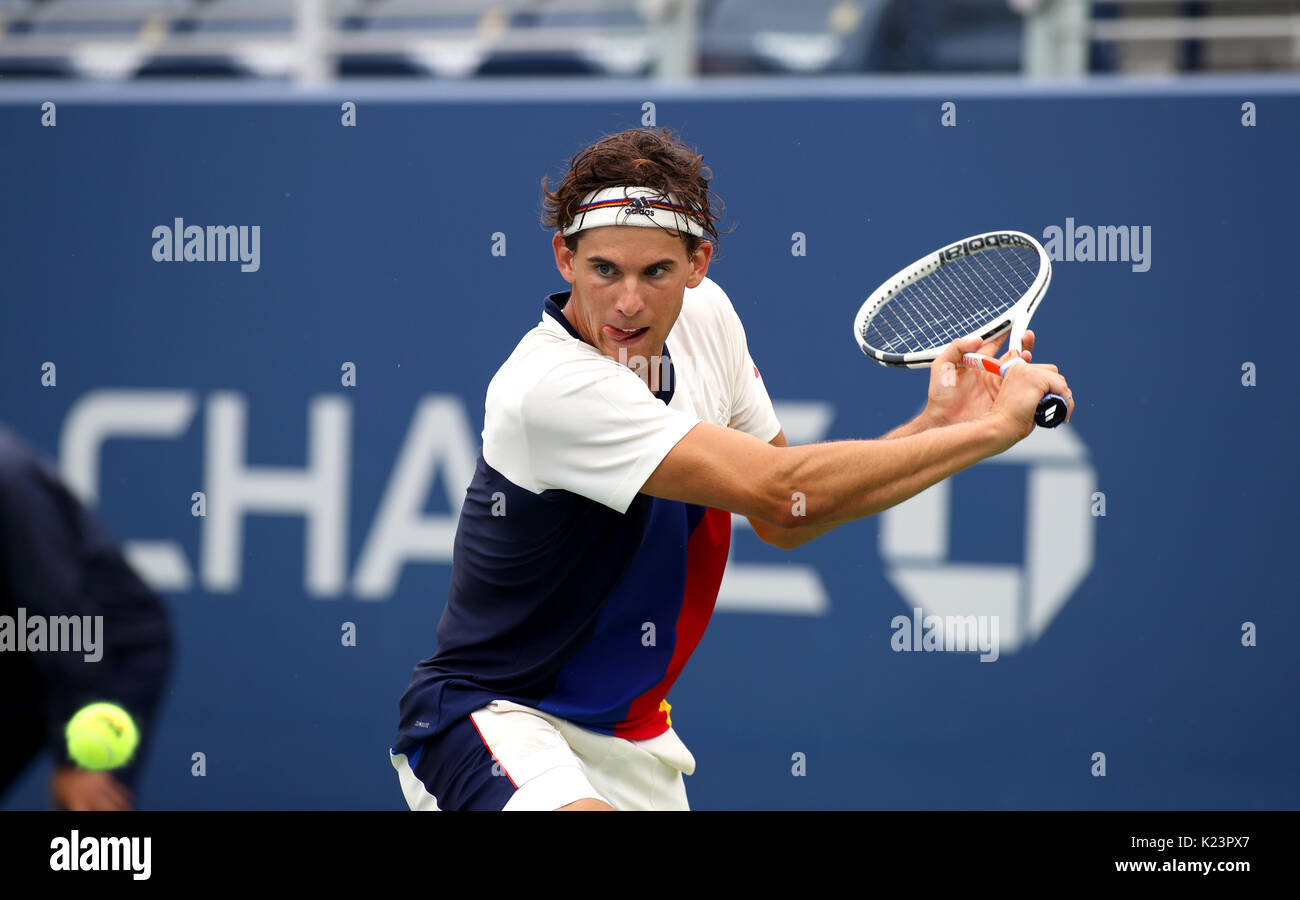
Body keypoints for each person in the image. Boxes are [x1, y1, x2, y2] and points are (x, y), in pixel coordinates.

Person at [389, 127, 1072, 811]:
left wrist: (937, 428)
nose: (628, 302)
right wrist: (989, 431)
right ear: (564, 258)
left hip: (634, 741)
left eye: (655, 271)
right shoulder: (548, 388)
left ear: (698, 263)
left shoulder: (708, 320)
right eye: (605, 270)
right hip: (495, 718)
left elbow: (788, 523)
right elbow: (782, 492)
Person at [0, 424, 173, 810]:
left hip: (106, 650)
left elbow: (60, 618)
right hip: (22, 641)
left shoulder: (9, 481)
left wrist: (75, 756)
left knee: (87, 813)